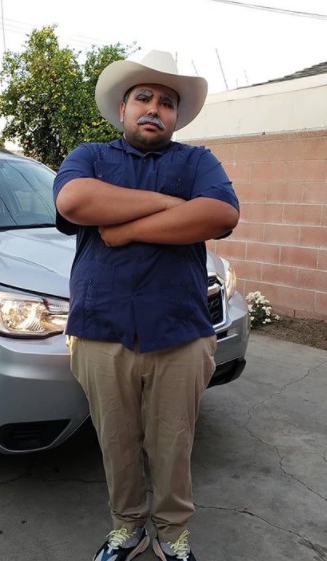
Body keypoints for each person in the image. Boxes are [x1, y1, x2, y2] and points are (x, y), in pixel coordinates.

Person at [53, 50, 240, 561]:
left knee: (174, 444)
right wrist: (173, 206)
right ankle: (128, 528)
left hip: (180, 331)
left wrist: (123, 229)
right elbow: (73, 202)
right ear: (123, 109)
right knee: (115, 443)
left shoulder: (197, 161)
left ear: (176, 116)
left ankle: (172, 533)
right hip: (100, 329)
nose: (154, 108)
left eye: (166, 102)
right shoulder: (89, 156)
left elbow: (221, 213)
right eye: (143, 98)